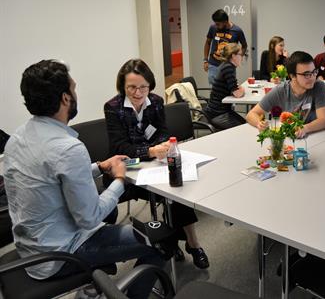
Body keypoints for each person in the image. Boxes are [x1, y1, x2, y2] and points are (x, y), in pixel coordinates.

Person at [3, 60, 165, 299]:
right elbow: (90, 218)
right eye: (74, 88)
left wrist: (100, 167)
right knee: (162, 237)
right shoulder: (68, 148)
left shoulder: (17, 138)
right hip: (62, 253)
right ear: (66, 98)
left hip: (30, 250)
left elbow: (52, 177)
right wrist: (120, 181)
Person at [104, 59, 209, 269]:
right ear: (122, 87)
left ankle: (192, 243)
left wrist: (162, 145)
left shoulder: (156, 101)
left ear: (150, 85)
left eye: (143, 86)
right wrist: (150, 150)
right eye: (131, 87)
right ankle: (166, 240)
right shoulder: (113, 107)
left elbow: (162, 131)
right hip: (126, 169)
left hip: (153, 165)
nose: (138, 92)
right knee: (167, 188)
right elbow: (119, 146)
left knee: (178, 186)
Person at [246, 51, 325, 138]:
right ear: (292, 76)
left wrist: (305, 128)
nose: (312, 77)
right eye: (307, 74)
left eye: (314, 72)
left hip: (314, 137)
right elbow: (251, 114)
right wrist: (259, 123)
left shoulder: (318, 86)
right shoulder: (280, 91)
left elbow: (324, 120)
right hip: (287, 140)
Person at [204, 43, 246, 129]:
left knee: (246, 123)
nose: (242, 57)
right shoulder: (228, 68)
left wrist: (239, 89)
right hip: (217, 113)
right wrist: (242, 89)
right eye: (240, 54)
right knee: (243, 128)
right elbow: (237, 93)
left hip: (223, 111)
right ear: (233, 56)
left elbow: (234, 87)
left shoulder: (228, 66)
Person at [203, 9, 247, 86]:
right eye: (215, 23)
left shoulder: (237, 31)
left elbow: (244, 46)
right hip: (213, 65)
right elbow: (208, 42)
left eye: (218, 24)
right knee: (214, 91)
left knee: (229, 90)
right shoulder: (213, 28)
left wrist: (238, 58)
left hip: (229, 66)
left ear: (225, 22)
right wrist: (205, 60)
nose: (216, 26)